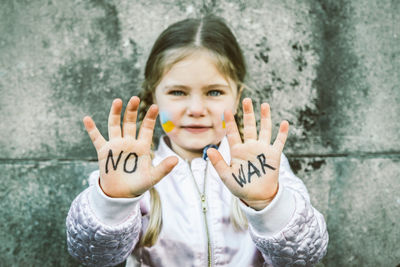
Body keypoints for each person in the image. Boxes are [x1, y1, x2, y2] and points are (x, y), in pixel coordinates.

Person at [66, 15, 328, 267]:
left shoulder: (266, 169)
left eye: (214, 92)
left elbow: (303, 257)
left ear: (236, 98)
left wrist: (267, 203)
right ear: (153, 97)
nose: (196, 109)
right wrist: (114, 200)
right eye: (178, 92)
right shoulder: (129, 174)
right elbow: (93, 256)